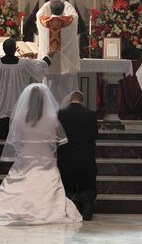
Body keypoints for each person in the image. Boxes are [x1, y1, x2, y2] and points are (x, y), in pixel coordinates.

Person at [0, 83, 82, 225]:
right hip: (45, 160)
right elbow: (56, 141)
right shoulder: (52, 118)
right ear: (45, 99)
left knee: (17, 183)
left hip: (25, 159)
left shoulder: (20, 117)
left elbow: (16, 140)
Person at [0, 38, 54, 139]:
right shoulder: (23, 64)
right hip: (19, 104)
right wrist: (48, 57)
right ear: (15, 50)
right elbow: (40, 67)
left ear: (3, 49)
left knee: (0, 135)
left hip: (2, 104)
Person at [57, 91, 98, 220]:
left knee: (67, 185)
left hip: (66, 159)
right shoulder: (91, 115)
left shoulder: (60, 114)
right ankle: (86, 206)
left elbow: (58, 136)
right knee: (88, 185)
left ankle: (71, 205)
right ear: (82, 101)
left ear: (69, 100)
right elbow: (94, 136)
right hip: (86, 159)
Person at [36, 0, 80, 105]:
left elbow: (39, 13)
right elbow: (73, 13)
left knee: (49, 94)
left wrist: (50, 1)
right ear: (63, 9)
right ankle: (66, 117)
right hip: (66, 65)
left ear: (50, 9)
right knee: (67, 93)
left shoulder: (43, 21)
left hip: (49, 66)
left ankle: (49, 116)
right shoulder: (71, 21)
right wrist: (64, 0)